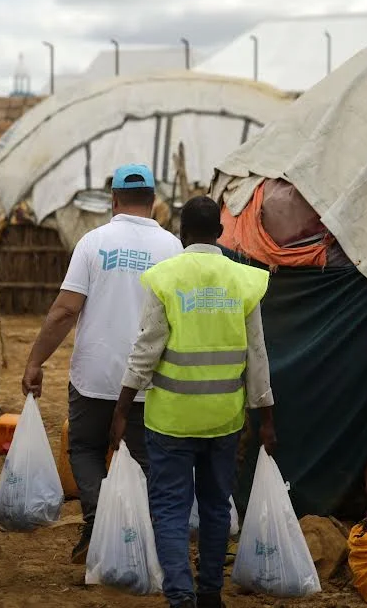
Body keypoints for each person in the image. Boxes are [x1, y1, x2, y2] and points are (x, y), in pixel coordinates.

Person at [109, 195, 277, 608]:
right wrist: (266, 419)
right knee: (217, 506)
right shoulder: (242, 281)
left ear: (182, 234)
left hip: (171, 421)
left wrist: (120, 409)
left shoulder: (166, 278)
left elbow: (146, 351)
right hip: (224, 420)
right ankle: (210, 594)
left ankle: (180, 596)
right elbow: (257, 356)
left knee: (169, 508)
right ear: (220, 233)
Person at [21, 163, 182, 564]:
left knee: (86, 449)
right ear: (154, 201)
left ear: (113, 200)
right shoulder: (173, 249)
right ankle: (133, 536)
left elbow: (64, 312)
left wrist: (35, 361)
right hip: (149, 380)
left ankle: (96, 521)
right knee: (142, 458)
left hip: (95, 377)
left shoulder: (93, 243)